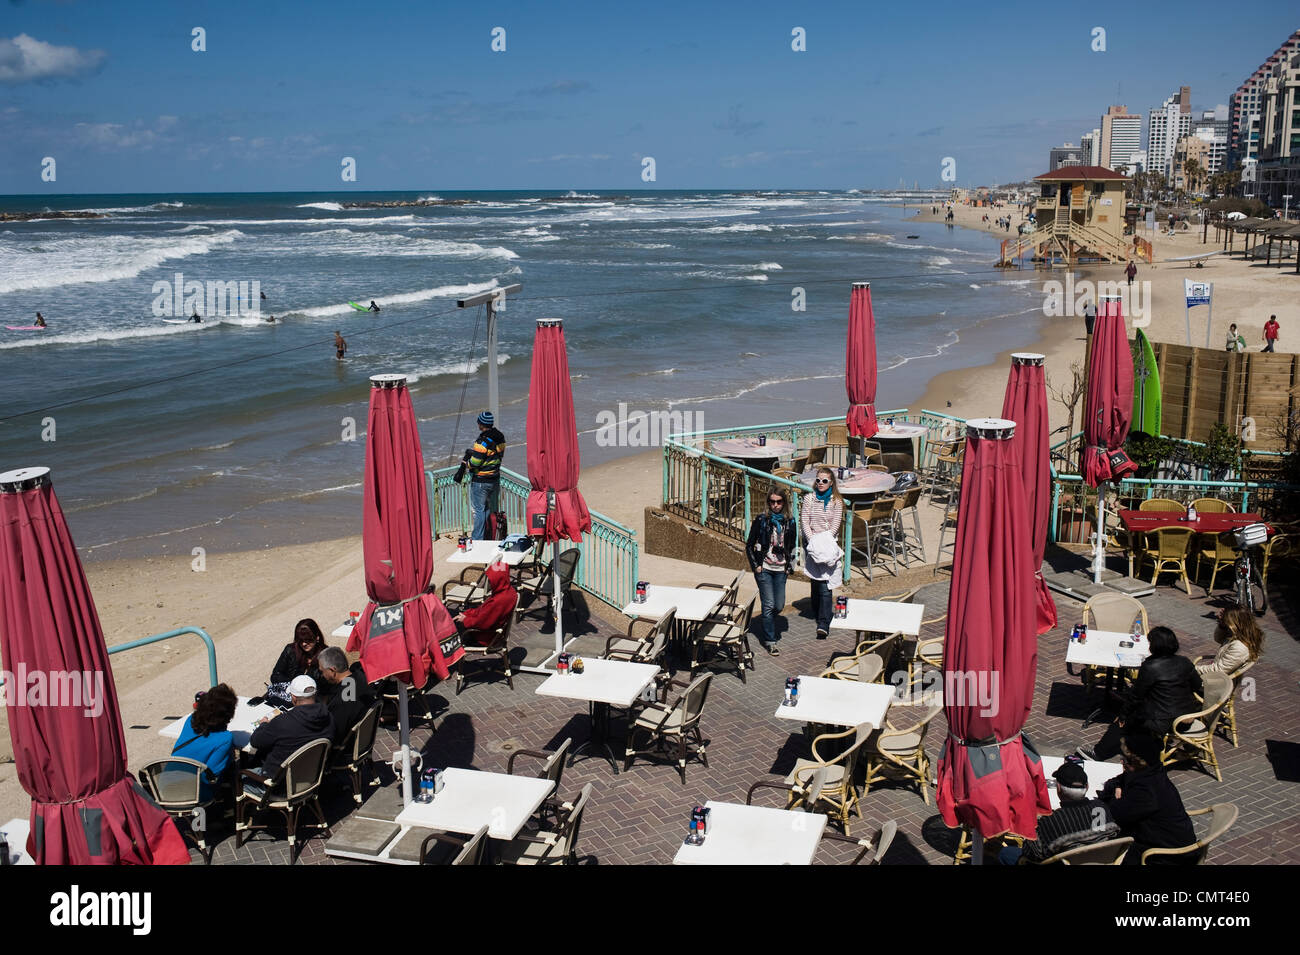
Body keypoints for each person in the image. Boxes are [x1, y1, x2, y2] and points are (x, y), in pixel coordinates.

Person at [1078, 627, 1202, 762]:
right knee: (1134, 716)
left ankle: (1098, 753)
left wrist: (1122, 715)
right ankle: (1145, 745)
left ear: (1154, 646)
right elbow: (1197, 685)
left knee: (1123, 721)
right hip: (1186, 718)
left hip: (1162, 721)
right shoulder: (1185, 662)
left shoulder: (1150, 667)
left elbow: (1136, 697)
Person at [997, 759, 1121, 864]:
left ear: (1058, 788)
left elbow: (1031, 854)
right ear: (1087, 787)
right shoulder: (1102, 807)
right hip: (1101, 861)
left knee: (1005, 853)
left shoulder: (1051, 822)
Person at [1100, 731, 1197, 865]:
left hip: (1167, 856)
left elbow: (1115, 814)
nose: (1122, 764)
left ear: (1138, 763)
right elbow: (1116, 781)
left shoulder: (1146, 791)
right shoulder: (1153, 772)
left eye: (1126, 761)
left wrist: (1115, 799)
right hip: (1168, 840)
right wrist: (1117, 787)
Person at [246, 675, 335, 787]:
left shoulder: (283, 723)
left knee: (239, 775)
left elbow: (256, 741)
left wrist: (264, 724)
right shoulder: (328, 717)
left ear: (293, 697)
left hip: (278, 785)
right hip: (311, 778)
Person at [746, 486, 797, 655]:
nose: (775, 505)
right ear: (768, 503)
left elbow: (792, 546)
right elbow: (749, 545)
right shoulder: (762, 520)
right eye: (772, 502)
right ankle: (770, 640)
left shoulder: (790, 522)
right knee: (768, 605)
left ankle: (767, 621)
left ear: (784, 503)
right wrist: (756, 566)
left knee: (779, 605)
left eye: (779, 502)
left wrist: (790, 566)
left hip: (781, 568)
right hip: (765, 568)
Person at [170, 683, 238, 800]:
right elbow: (211, 777)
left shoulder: (191, 719)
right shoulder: (225, 738)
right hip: (192, 792)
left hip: (166, 783)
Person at [801, 467, 844, 639]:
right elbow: (805, 521)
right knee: (815, 579)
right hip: (812, 544)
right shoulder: (809, 499)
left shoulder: (837, 501)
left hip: (827, 545)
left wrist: (823, 541)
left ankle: (824, 622)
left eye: (824, 481)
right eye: (818, 480)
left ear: (831, 482)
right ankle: (817, 610)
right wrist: (813, 541)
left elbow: (835, 525)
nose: (820, 483)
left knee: (826, 583)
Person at [315, 646, 376, 744]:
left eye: (322, 671)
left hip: (345, 748)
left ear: (332, 671)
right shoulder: (361, 678)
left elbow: (333, 735)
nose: (322, 675)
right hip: (363, 739)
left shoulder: (343, 701)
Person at [453, 561, 518, 644]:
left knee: (448, 624)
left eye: (491, 580)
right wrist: (467, 614)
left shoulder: (498, 601)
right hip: (488, 631)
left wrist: (465, 620)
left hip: (482, 636)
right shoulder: (509, 592)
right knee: (452, 615)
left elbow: (482, 622)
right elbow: (483, 613)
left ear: (498, 580)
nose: (489, 583)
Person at [466, 410, 505, 540]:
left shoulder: (482, 442)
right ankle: (487, 535)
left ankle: (477, 539)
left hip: (481, 481)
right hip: (494, 479)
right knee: (486, 510)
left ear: (481, 424)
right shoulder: (500, 438)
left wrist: (468, 464)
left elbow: (475, 462)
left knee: (479, 511)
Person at [1196, 607, 1263, 675]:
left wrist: (1192, 669)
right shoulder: (1238, 636)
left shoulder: (1239, 647)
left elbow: (1218, 670)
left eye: (1227, 621)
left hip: (1216, 680)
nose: (1226, 624)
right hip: (1215, 672)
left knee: (1185, 665)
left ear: (1234, 624)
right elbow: (1218, 639)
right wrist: (1221, 625)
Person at [270, 618, 328, 688]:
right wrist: (295, 685)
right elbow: (275, 675)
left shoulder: (326, 655)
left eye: (308, 640)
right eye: (300, 640)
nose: (304, 644)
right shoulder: (290, 650)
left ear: (317, 637)